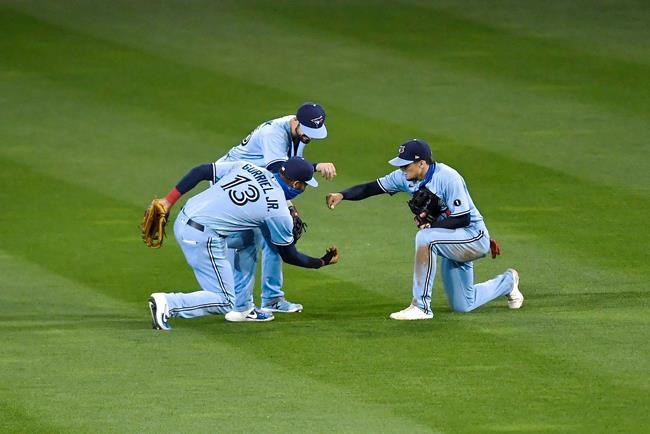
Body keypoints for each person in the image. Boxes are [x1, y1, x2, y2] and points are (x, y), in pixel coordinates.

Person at [325, 139, 523, 320]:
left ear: (422, 163)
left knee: (425, 238)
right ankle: (508, 282)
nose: (402, 168)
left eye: (406, 164)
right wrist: (342, 195)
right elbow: (371, 188)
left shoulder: (448, 177)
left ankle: (421, 306)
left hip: (473, 237)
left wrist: (432, 227)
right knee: (463, 304)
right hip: (451, 241)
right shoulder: (405, 177)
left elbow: (463, 218)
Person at [148, 157, 339, 329]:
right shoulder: (278, 211)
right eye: (304, 185)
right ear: (296, 184)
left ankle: (243, 308)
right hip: (202, 237)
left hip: (185, 216)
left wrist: (168, 201)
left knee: (248, 237)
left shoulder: (249, 167)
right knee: (223, 300)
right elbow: (288, 255)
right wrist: (321, 262)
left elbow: (202, 171)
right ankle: (167, 303)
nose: (303, 189)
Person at [215, 102, 337, 314]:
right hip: (231, 183)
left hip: (259, 184)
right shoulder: (274, 133)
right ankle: (239, 306)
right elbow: (278, 169)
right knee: (247, 240)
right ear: (296, 122)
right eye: (308, 131)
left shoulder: (299, 132)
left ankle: (272, 299)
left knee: (277, 235)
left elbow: (286, 172)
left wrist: (288, 207)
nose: (310, 136)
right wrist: (315, 167)